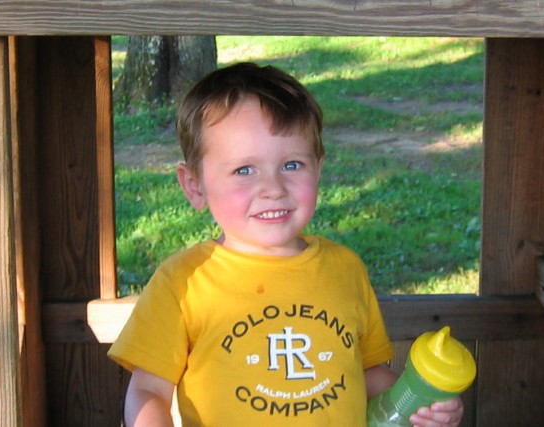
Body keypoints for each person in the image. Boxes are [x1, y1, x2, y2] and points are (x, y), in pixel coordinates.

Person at [108, 62, 464, 426]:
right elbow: (148, 388)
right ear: (194, 185)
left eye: (292, 165)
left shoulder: (344, 268)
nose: (273, 189)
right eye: (244, 170)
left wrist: (422, 406)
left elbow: (365, 372)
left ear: (318, 168)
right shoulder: (182, 282)